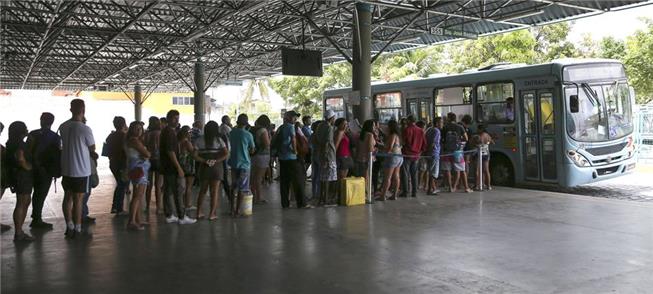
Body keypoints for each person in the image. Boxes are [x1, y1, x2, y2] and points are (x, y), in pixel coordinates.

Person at [60, 99, 97, 238]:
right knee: (78, 200)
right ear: (83, 109)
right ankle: (78, 228)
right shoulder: (85, 128)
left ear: (70, 109)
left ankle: (69, 226)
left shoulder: (63, 126)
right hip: (82, 170)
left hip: (66, 169)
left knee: (67, 198)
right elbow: (92, 148)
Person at [160, 110, 196, 225]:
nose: (177, 121)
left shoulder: (166, 131)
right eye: (174, 118)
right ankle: (181, 216)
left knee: (168, 191)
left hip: (166, 166)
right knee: (178, 191)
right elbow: (170, 151)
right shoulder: (170, 133)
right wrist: (178, 167)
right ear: (168, 118)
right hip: (171, 166)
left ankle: (169, 214)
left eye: (178, 118)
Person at [27, 112, 60, 229]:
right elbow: (57, 155)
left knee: (28, 195)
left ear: (41, 120)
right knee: (40, 195)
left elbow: (27, 151)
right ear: (52, 122)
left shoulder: (32, 134)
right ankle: (37, 219)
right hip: (46, 171)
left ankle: (35, 218)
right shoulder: (55, 137)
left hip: (31, 169)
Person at [6, 121, 35, 241]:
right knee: (22, 203)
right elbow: (20, 158)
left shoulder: (10, 142)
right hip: (23, 176)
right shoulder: (20, 144)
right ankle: (18, 233)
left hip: (17, 175)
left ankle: (20, 231)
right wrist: (28, 166)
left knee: (24, 201)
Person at [194, 121, 227, 220]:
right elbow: (226, 154)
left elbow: (194, 156)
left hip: (204, 167)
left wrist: (205, 161)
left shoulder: (199, 140)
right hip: (217, 168)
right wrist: (216, 160)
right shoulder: (219, 140)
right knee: (214, 191)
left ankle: (199, 212)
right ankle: (212, 214)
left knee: (202, 191)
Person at [276, 111, 309, 209]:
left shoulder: (281, 128)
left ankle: (285, 203)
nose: (295, 119)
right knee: (298, 180)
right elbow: (293, 139)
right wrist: (295, 150)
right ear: (288, 118)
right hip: (291, 158)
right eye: (293, 117)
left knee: (284, 181)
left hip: (282, 158)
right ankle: (302, 203)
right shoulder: (291, 127)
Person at [125, 121, 151, 230]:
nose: (139, 130)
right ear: (131, 130)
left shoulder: (133, 140)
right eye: (137, 128)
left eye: (140, 128)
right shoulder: (134, 141)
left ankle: (138, 220)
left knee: (138, 195)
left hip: (139, 168)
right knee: (137, 195)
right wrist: (146, 152)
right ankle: (132, 221)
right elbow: (147, 154)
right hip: (138, 168)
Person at [228, 114, 255, 216]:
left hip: (233, 162)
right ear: (246, 123)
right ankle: (237, 210)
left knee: (233, 186)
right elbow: (252, 149)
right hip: (244, 164)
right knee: (242, 188)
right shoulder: (248, 135)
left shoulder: (231, 133)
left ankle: (231, 208)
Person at [441, 112, 470, 193]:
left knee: (448, 170)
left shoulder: (445, 127)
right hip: (458, 152)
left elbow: (442, 139)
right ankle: (457, 187)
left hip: (447, 151)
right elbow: (466, 138)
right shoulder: (460, 127)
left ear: (449, 118)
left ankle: (450, 187)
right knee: (460, 170)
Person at [314, 110, 338, 206]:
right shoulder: (329, 128)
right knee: (327, 178)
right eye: (334, 117)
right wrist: (326, 157)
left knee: (322, 177)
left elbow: (317, 140)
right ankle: (326, 199)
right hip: (328, 156)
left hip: (320, 154)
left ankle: (321, 198)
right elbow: (327, 144)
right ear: (331, 118)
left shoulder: (320, 126)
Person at [105, 116, 128, 214]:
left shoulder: (110, 136)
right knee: (122, 185)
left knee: (120, 184)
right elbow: (126, 151)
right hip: (123, 164)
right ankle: (119, 208)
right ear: (124, 124)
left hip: (113, 163)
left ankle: (115, 206)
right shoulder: (124, 136)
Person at [376, 120, 402, 201]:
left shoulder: (392, 135)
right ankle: (394, 195)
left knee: (388, 177)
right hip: (399, 157)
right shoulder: (398, 135)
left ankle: (383, 196)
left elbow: (390, 147)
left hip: (392, 157)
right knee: (396, 176)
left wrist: (384, 152)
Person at [400, 115, 425, 198]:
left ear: (409, 121)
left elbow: (402, 142)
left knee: (405, 174)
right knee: (414, 174)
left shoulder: (407, 130)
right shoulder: (421, 130)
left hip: (407, 154)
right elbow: (424, 144)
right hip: (416, 155)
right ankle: (414, 192)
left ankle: (406, 192)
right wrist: (420, 152)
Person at [250, 115, 271, 204]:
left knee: (253, 177)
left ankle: (253, 196)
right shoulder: (263, 130)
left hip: (254, 155)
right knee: (259, 178)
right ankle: (258, 198)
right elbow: (266, 144)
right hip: (262, 155)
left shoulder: (252, 129)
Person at [144, 116, 162, 213]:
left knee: (149, 185)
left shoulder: (147, 133)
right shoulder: (160, 133)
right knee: (158, 185)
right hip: (158, 160)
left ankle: (147, 206)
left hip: (148, 160)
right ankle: (158, 208)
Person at [354, 120, 376, 195]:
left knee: (362, 176)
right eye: (373, 125)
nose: (374, 127)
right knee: (366, 176)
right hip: (367, 159)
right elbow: (370, 149)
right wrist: (375, 149)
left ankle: (362, 191)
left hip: (360, 157)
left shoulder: (361, 134)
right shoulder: (370, 135)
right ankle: (366, 192)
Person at [178, 126, 196, 210]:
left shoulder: (178, 142)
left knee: (182, 186)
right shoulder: (187, 142)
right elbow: (193, 153)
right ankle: (187, 204)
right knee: (188, 186)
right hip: (188, 165)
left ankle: (181, 203)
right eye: (190, 132)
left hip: (180, 165)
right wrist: (196, 149)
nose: (191, 134)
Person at [425, 117, 443, 195]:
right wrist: (430, 150)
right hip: (434, 153)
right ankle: (430, 190)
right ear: (437, 123)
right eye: (441, 122)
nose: (442, 124)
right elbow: (433, 143)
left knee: (430, 171)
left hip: (428, 153)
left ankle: (432, 188)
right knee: (434, 173)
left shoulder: (428, 129)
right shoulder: (437, 131)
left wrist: (426, 152)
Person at [475, 124, 494, 190]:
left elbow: (479, 142)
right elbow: (492, 142)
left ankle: (478, 185)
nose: (477, 130)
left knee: (478, 170)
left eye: (478, 129)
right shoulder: (487, 135)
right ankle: (488, 185)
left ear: (480, 129)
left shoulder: (480, 136)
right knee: (486, 170)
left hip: (480, 154)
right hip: (487, 154)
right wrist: (487, 143)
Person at [309, 120, 322, 200]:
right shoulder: (319, 135)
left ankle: (314, 194)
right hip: (319, 156)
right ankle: (318, 193)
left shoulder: (312, 135)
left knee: (315, 176)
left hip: (314, 156)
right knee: (319, 176)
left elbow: (309, 144)